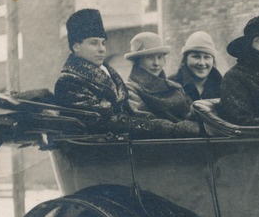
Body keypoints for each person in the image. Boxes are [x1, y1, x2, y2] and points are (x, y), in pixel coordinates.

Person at [53, 8, 197, 138]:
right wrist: (165, 127)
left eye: (103, 43)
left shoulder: (106, 72)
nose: (102, 49)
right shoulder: (69, 81)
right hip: (100, 155)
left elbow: (128, 112)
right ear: (76, 46)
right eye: (94, 43)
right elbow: (104, 122)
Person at [124, 32, 199, 133]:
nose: (156, 63)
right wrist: (181, 128)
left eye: (160, 57)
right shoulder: (130, 90)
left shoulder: (175, 87)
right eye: (150, 57)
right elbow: (146, 122)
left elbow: (192, 114)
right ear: (137, 61)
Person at [169, 31, 223, 102]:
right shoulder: (171, 84)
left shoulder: (223, 86)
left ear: (213, 61)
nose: (202, 63)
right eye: (196, 57)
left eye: (207, 57)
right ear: (185, 59)